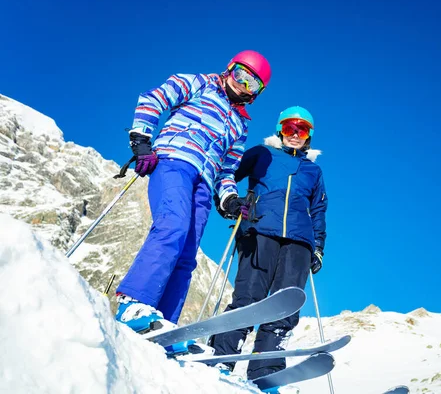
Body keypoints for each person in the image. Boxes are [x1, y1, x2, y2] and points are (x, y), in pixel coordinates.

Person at [114, 51, 272, 344]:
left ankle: (165, 325)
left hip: (205, 180)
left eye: (253, 83)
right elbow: (155, 98)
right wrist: (142, 140)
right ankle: (133, 304)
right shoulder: (199, 83)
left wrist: (228, 199)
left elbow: (227, 169)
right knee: (172, 226)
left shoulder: (241, 125)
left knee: (188, 253)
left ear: (257, 93)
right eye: (240, 74)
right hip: (175, 161)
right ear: (229, 69)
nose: (243, 84)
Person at [209, 106, 328, 381]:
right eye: (290, 128)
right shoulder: (263, 154)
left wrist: (318, 246)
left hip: (299, 241)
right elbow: (227, 173)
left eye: (302, 130)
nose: (295, 134)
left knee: (285, 306)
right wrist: (228, 201)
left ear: (309, 136)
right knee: (248, 298)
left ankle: (265, 371)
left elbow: (319, 210)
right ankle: (221, 359)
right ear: (280, 131)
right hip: (259, 229)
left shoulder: (313, 170)